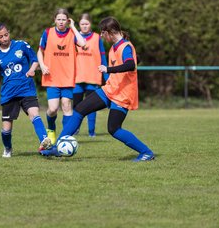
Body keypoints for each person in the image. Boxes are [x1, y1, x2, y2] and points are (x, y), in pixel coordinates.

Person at [40, 17, 155, 162]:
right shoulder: (115, 46)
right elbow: (133, 60)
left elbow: (130, 65)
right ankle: (58, 146)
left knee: (114, 129)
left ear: (111, 32)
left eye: (103, 32)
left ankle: (146, 152)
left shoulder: (125, 46)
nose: (101, 35)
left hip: (122, 94)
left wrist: (108, 69)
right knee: (80, 109)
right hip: (110, 90)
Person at [0, 23, 51, 158]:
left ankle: (44, 140)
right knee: (6, 129)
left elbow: (34, 59)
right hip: (9, 94)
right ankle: (8, 148)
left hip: (26, 89)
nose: (4, 38)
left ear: (9, 32)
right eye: (1, 37)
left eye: (6, 35)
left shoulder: (21, 45)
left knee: (34, 114)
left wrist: (32, 70)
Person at [37, 8, 86, 146]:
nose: (61, 22)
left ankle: (64, 138)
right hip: (51, 77)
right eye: (58, 19)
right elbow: (40, 51)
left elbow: (83, 44)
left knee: (66, 106)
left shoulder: (72, 33)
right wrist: (42, 65)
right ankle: (51, 129)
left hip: (67, 77)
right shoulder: (47, 32)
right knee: (52, 109)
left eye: (64, 19)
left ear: (68, 20)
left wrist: (74, 27)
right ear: (54, 20)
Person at [73, 13, 108, 137]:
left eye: (86, 24)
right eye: (82, 24)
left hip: (92, 77)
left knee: (91, 106)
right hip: (77, 77)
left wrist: (106, 77)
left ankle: (91, 132)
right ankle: (74, 129)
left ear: (90, 24)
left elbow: (103, 57)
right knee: (76, 106)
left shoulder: (97, 38)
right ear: (79, 25)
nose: (84, 26)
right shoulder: (74, 37)